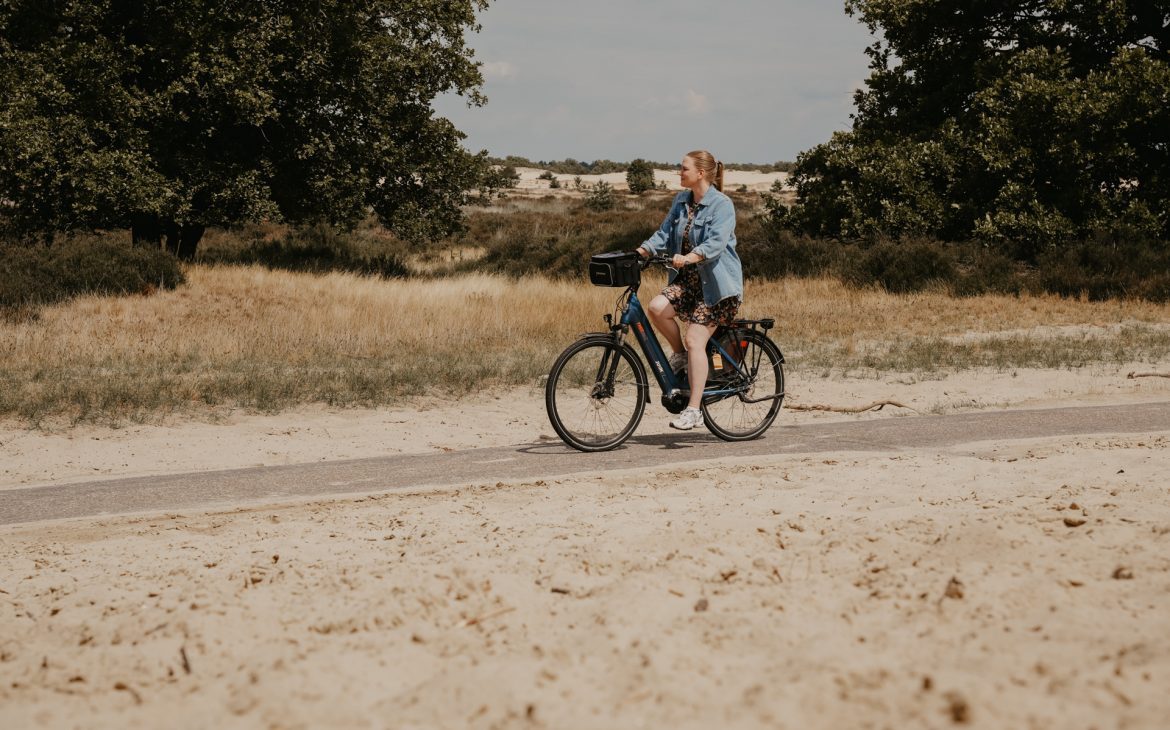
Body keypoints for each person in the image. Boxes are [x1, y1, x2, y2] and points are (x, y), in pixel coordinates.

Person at [636, 150, 744, 431]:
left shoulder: (722, 205)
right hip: (688, 283)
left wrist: (690, 257)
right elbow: (663, 233)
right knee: (656, 308)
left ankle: (694, 410)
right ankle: (681, 356)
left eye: (684, 169)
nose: (679, 173)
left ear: (701, 173)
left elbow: (716, 243)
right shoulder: (681, 201)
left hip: (717, 288)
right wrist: (643, 250)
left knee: (696, 338)